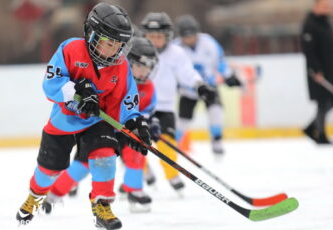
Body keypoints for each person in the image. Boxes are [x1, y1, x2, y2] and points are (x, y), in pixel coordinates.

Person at [15, 3, 152, 230]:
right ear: (92, 34)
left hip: (98, 121)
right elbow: (51, 84)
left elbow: (126, 99)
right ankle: (35, 195)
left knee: (105, 157)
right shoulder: (70, 49)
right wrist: (78, 93)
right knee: (49, 171)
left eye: (119, 44)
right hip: (64, 121)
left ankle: (102, 206)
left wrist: (134, 123)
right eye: (109, 43)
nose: (114, 50)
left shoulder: (120, 65)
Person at [41, 37, 160, 214]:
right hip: (102, 129)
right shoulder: (115, 73)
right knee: (83, 166)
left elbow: (145, 110)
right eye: (141, 66)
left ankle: (133, 189)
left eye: (149, 67)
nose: (145, 72)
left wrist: (147, 125)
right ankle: (54, 193)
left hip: (123, 130)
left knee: (136, 152)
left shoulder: (147, 87)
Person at [141, 12, 215, 193]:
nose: (155, 41)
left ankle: (172, 175)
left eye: (159, 36)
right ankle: (141, 172)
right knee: (136, 145)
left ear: (168, 36)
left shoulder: (176, 53)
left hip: (165, 107)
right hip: (139, 107)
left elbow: (187, 73)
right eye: (151, 36)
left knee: (167, 143)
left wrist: (200, 85)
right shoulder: (137, 50)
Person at [172, 15, 242, 155]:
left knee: (216, 111)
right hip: (188, 90)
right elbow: (170, 68)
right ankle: (173, 146)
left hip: (209, 87)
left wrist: (229, 76)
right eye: (186, 36)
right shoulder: (175, 47)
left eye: (191, 35)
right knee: (183, 121)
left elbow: (220, 61)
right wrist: (175, 83)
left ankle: (217, 141)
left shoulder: (209, 43)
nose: (189, 39)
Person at [301, 0, 333, 145]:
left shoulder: (325, 23)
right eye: (325, 6)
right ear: (316, 7)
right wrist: (315, 70)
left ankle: (312, 128)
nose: (328, 9)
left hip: (331, 69)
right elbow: (309, 50)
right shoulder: (310, 24)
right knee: (323, 102)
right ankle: (320, 134)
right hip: (319, 72)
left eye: (329, 6)